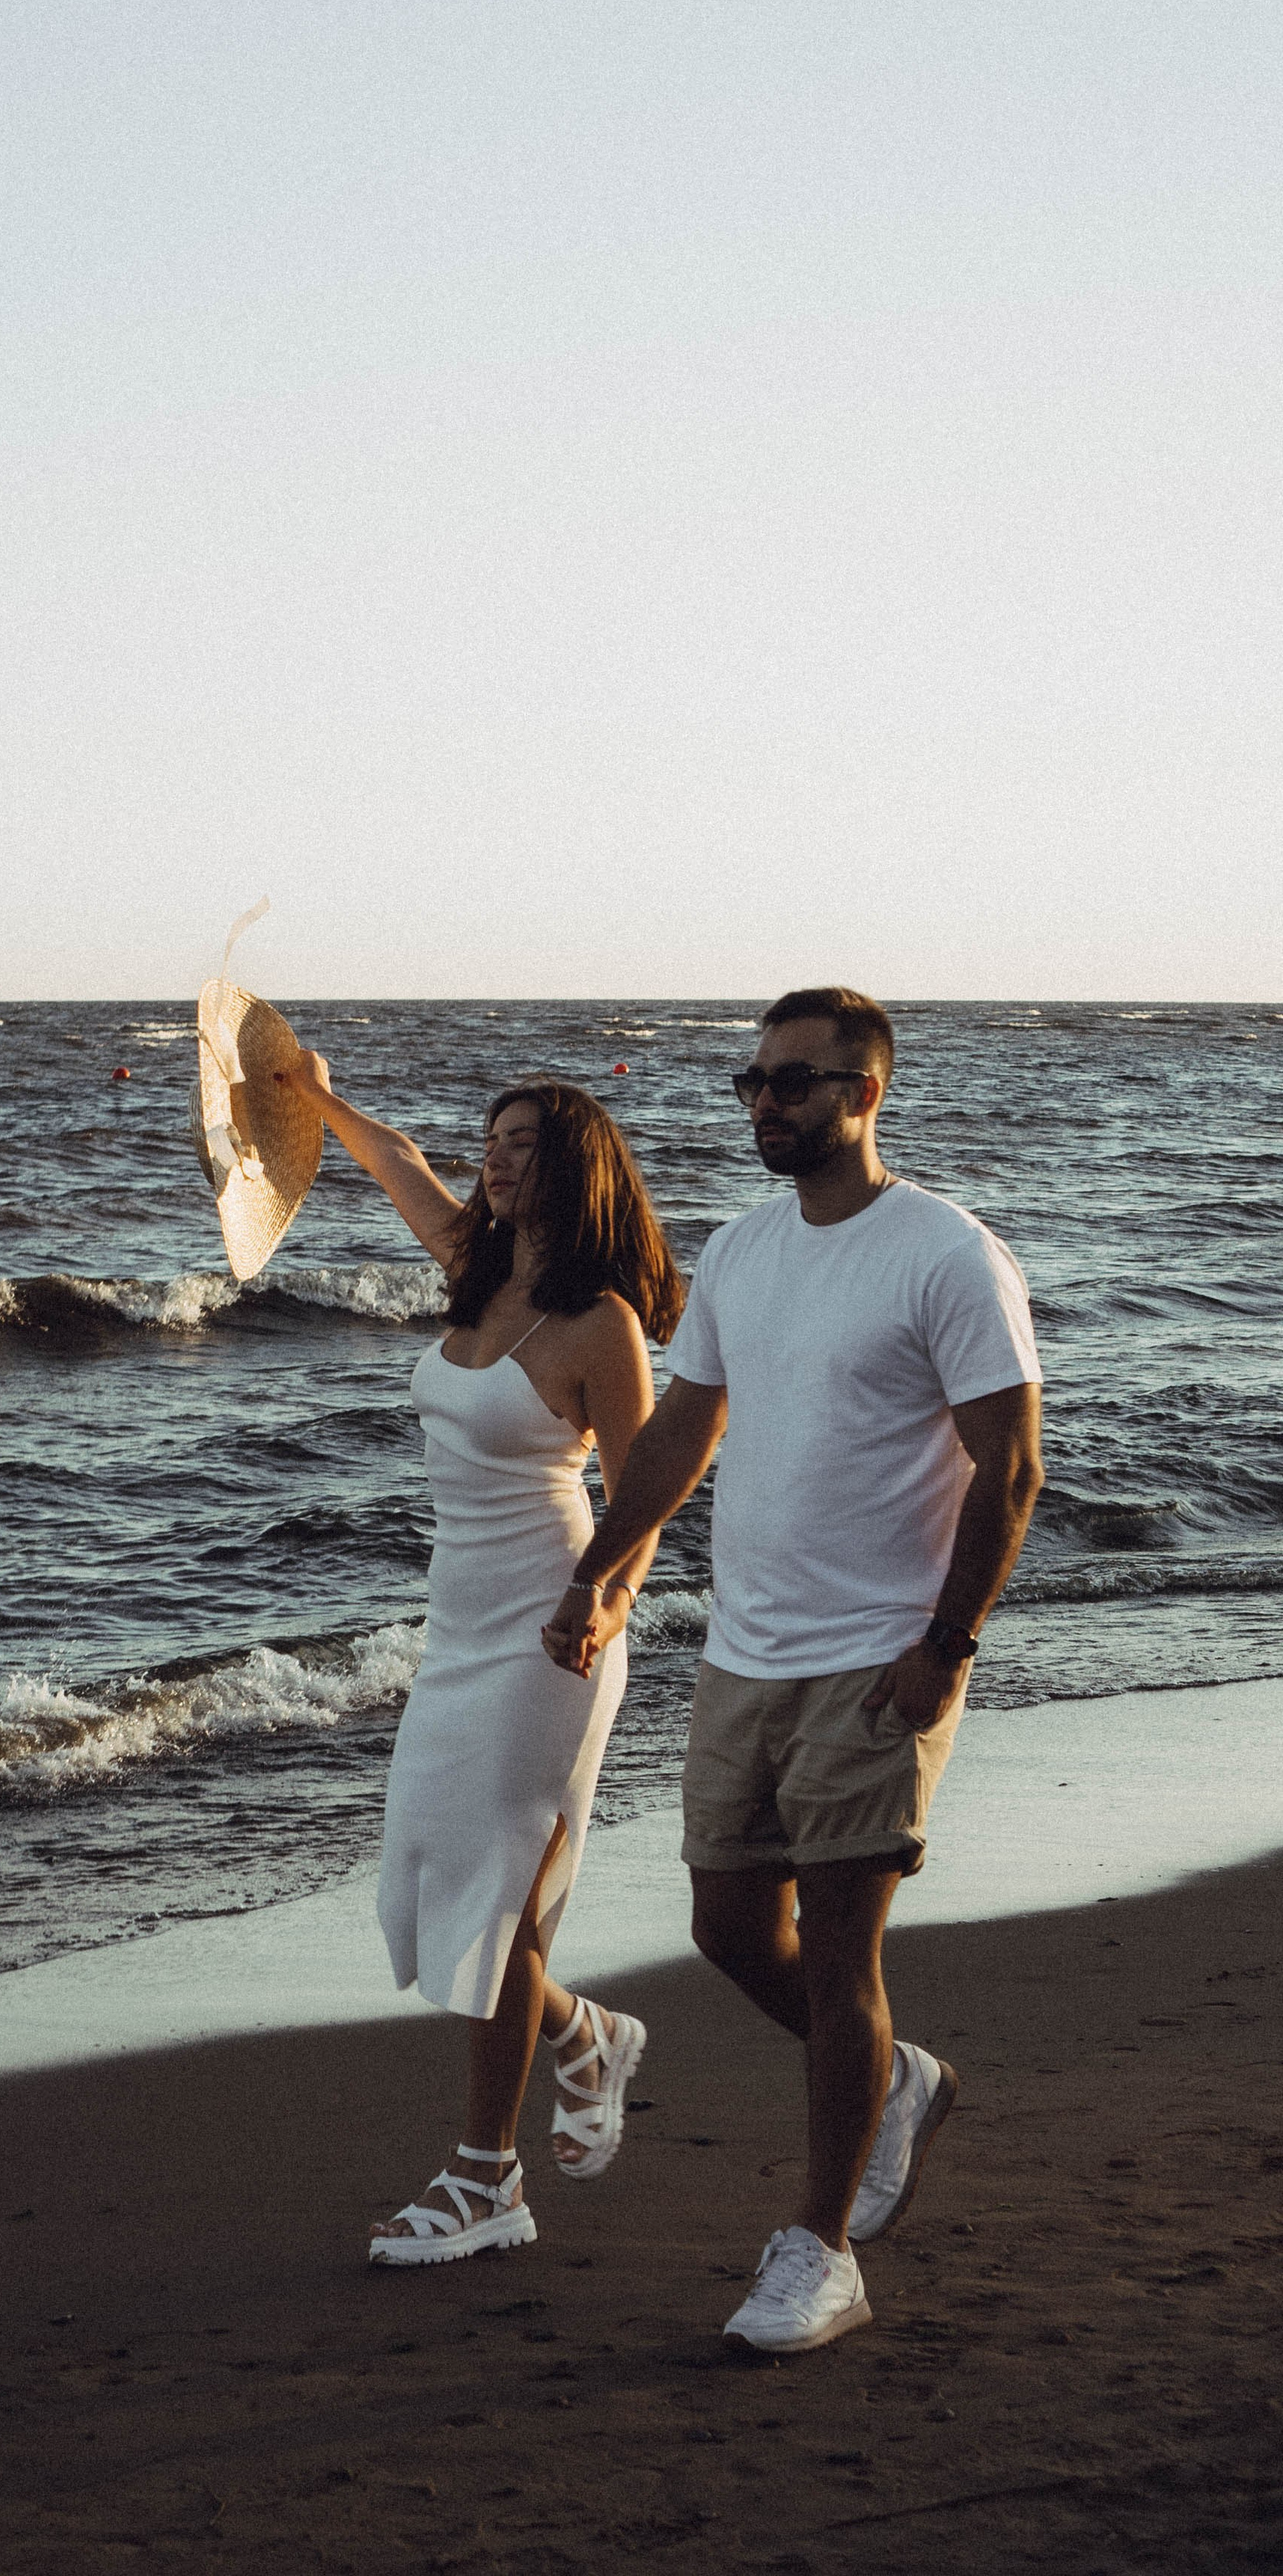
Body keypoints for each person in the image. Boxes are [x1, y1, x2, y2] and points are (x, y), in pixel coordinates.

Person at [543, 986, 1044, 2353]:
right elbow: (683, 1429)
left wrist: (946, 1649)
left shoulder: (945, 1254)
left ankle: (819, 2253)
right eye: (754, 1082)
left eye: (796, 1084)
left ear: (865, 1094)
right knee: (724, 1926)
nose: (766, 1104)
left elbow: (1013, 1466)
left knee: (837, 1958)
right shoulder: (744, 1251)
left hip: (878, 1660)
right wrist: (600, 1571)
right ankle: (893, 2081)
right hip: (744, 1649)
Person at [274, 1053, 686, 2266]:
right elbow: (397, 1161)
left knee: (493, 1894)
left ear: (576, 1172)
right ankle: (585, 2038)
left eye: (521, 1147)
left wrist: (605, 1596)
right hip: (454, 1628)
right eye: (491, 1141)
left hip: (549, 1632)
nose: (494, 1162)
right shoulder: (476, 1268)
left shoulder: (600, 1326)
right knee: (439, 1874)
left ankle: (486, 2178)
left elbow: (647, 1490)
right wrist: (315, 1094)